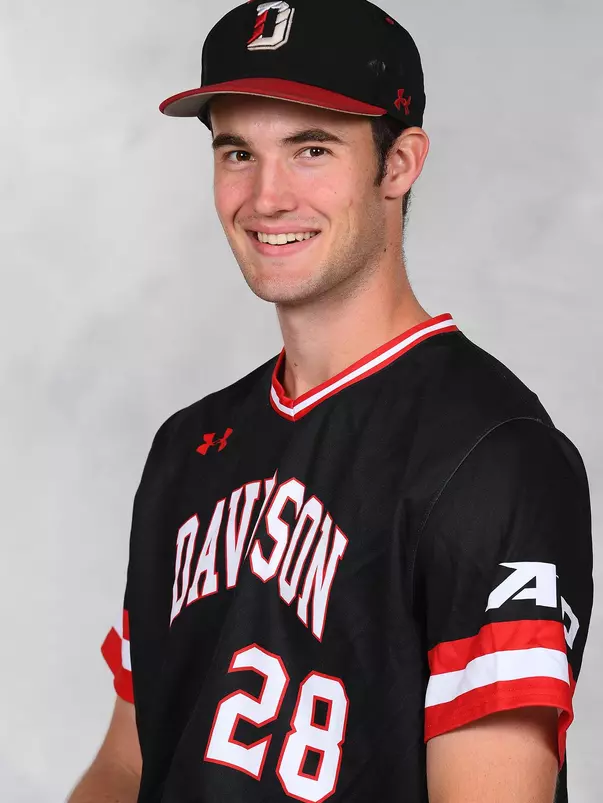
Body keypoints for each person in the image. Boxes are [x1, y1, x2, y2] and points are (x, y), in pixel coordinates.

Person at [68, 1, 593, 801]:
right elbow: (125, 765)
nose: (266, 196)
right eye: (237, 152)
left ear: (399, 163)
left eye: (310, 149)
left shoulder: (494, 453)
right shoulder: (187, 446)